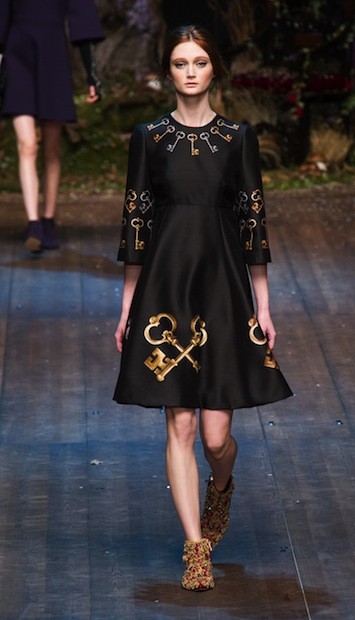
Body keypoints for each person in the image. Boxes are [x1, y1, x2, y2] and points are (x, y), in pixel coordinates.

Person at [114, 25, 293, 591]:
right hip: (165, 288)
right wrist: (126, 308)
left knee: (216, 438)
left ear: (215, 68)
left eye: (198, 62)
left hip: (222, 289)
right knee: (181, 423)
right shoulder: (148, 137)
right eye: (179, 63)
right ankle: (196, 548)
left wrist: (264, 306)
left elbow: (253, 223)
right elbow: (136, 223)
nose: (189, 72)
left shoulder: (239, 138)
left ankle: (221, 486)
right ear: (167, 72)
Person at [0, 0, 105, 253]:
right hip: (17, 57)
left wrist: (92, 75)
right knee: (27, 145)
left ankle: (47, 220)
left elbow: (82, 16)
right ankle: (34, 224)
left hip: (53, 56)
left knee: (51, 148)